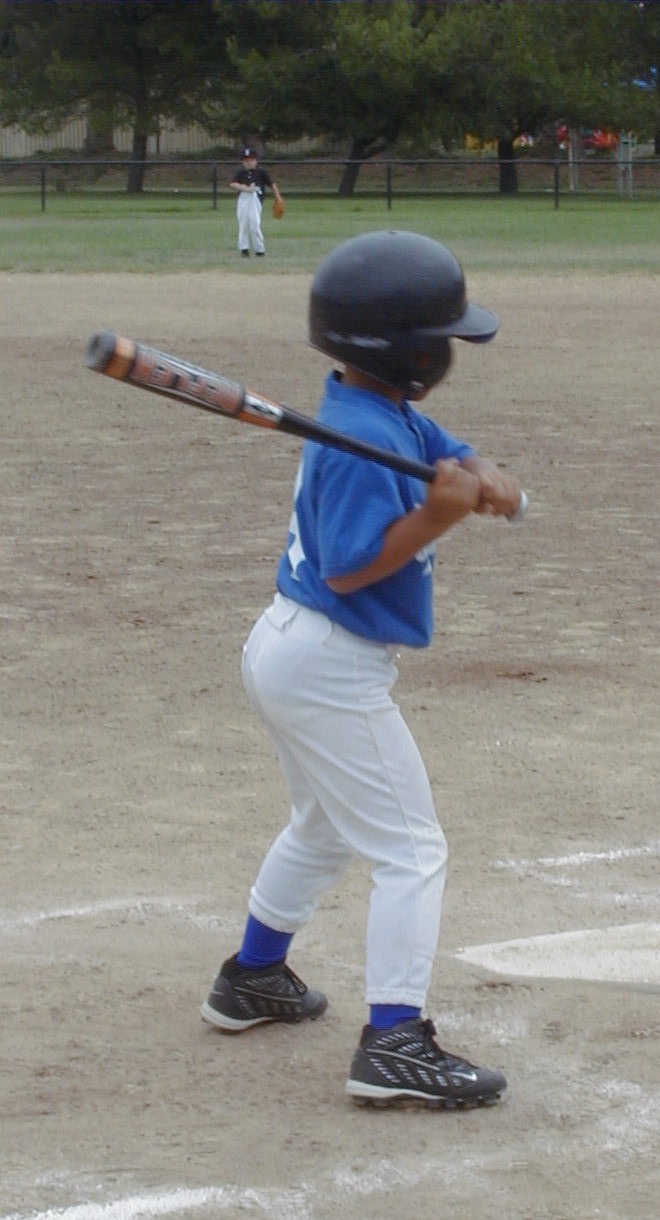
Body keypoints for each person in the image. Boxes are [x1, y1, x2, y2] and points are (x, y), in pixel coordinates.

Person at [200, 231, 525, 1109]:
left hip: (294, 649)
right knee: (412, 850)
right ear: (412, 352)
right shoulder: (354, 437)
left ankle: (252, 976)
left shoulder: (372, 410)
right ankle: (394, 1042)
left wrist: (480, 470)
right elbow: (349, 568)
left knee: (322, 827)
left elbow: (444, 448)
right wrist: (439, 518)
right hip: (328, 662)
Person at [229, 147, 281, 258]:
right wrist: (245, 188)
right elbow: (233, 184)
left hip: (255, 198)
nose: (248, 163)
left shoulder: (260, 172)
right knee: (243, 224)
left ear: (256, 161)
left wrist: (278, 197)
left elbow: (272, 184)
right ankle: (244, 249)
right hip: (243, 198)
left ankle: (259, 250)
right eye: (246, 160)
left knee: (254, 224)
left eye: (251, 160)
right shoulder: (241, 172)